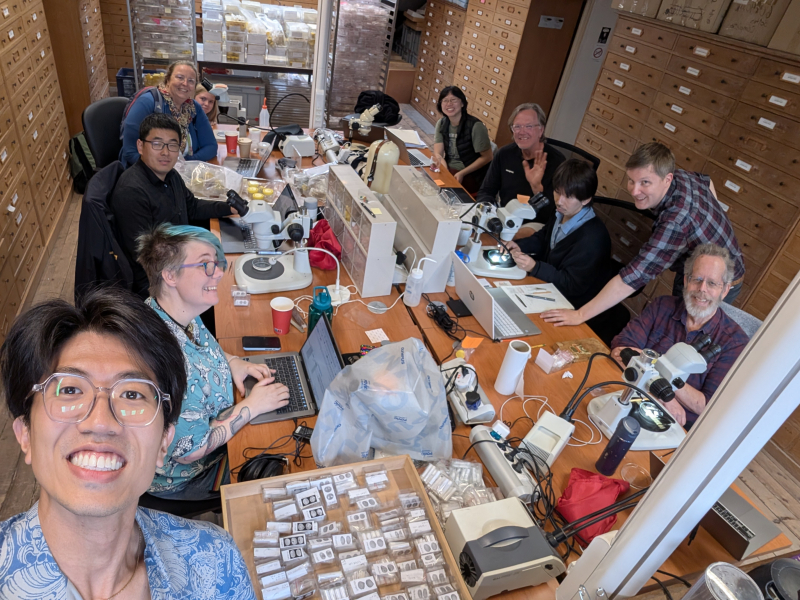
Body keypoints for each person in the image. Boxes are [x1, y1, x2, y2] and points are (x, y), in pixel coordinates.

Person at [0, 287, 256, 599]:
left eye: (132, 394)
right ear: (24, 433)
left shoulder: (218, 565)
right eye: (69, 390)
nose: (101, 423)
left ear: (165, 443)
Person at [137, 224, 290, 500]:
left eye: (217, 264)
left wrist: (232, 362)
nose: (218, 273)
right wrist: (252, 407)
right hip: (188, 475)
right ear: (170, 275)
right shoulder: (165, 361)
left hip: (210, 426)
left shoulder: (173, 309)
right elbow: (191, 451)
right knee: (281, 462)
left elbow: (203, 349)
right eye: (205, 265)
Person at [542, 142, 745, 328]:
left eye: (645, 183)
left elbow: (634, 277)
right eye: (631, 180)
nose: (635, 191)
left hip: (720, 275)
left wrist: (579, 315)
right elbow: (707, 182)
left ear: (667, 179)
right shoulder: (680, 176)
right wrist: (713, 216)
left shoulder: (675, 221)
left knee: (683, 328)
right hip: (695, 260)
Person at [611, 244, 748, 428]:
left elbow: (707, 405)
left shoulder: (734, 342)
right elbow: (621, 349)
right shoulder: (662, 306)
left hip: (672, 424)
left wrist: (649, 370)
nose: (702, 289)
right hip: (628, 393)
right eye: (697, 279)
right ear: (685, 280)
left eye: (712, 283)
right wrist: (665, 394)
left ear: (724, 290)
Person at [110, 112, 236, 298]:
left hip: (177, 261)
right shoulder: (131, 192)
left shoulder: (170, 175)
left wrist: (229, 207)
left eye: (172, 145)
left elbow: (192, 207)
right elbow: (146, 260)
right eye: (157, 144)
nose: (165, 152)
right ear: (140, 146)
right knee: (227, 292)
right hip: (159, 283)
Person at [503, 159, 624, 342]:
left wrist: (535, 267)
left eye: (568, 196)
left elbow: (572, 285)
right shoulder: (563, 212)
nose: (559, 201)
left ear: (586, 199)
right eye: (557, 192)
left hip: (572, 305)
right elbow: (545, 237)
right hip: (550, 288)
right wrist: (521, 246)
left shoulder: (593, 239)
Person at [475, 103, 565, 223]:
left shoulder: (558, 162)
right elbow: (486, 191)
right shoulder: (504, 154)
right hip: (505, 217)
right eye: (517, 126)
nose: (522, 132)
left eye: (529, 126)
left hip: (536, 224)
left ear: (541, 130)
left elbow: (555, 214)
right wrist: (488, 212)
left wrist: (537, 189)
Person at [119, 60, 217, 168]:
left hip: (183, 171)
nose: (185, 83)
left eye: (191, 81)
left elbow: (211, 146)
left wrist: (186, 163)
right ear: (168, 79)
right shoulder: (148, 102)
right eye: (180, 77)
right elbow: (130, 151)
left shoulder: (193, 108)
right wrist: (166, 170)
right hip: (149, 173)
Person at [432, 87, 493, 195]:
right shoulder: (441, 123)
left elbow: (487, 157)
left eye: (453, 100)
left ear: (462, 103)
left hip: (471, 175)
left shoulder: (475, 126)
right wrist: (445, 170)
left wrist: (462, 173)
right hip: (451, 170)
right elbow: (438, 153)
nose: (449, 104)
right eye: (445, 100)